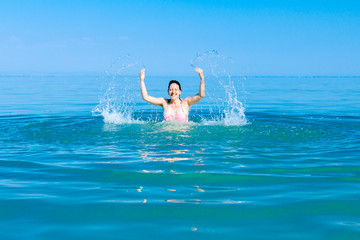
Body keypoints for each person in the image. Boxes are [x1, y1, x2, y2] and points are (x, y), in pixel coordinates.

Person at [140, 68, 205, 122]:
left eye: (176, 89)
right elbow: (145, 97)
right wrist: (141, 80)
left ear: (180, 92)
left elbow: (201, 95)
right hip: (167, 135)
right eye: (171, 89)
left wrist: (202, 78)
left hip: (183, 136)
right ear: (168, 91)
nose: (173, 92)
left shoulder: (186, 102)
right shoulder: (164, 102)